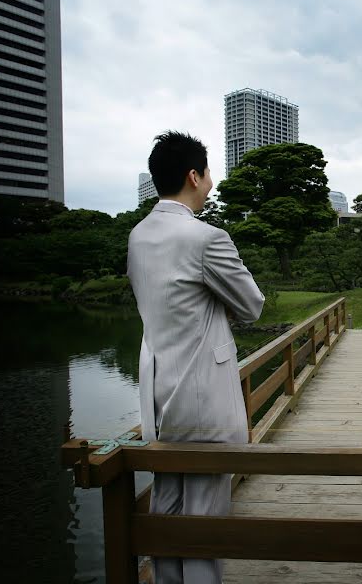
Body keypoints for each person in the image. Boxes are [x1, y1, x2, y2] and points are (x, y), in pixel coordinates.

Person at [127, 131, 264, 583]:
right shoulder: (206, 237)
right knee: (203, 521)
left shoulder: (138, 236)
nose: (210, 184)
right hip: (204, 401)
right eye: (207, 174)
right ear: (192, 175)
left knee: (166, 508)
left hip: (158, 399)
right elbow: (251, 304)